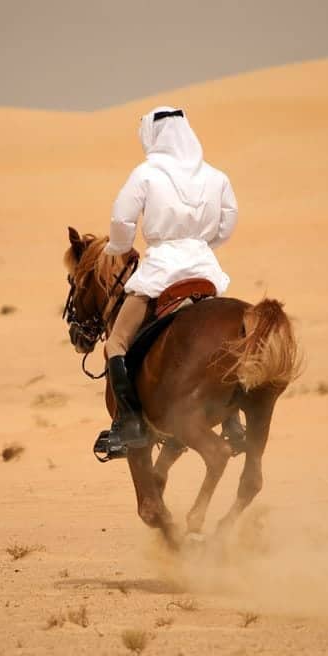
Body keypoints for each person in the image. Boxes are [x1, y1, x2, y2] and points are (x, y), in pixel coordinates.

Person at [100, 105, 239, 453]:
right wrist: (202, 244)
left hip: (161, 270)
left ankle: (128, 423)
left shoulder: (146, 174)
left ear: (153, 135)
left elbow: (121, 221)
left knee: (115, 342)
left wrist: (119, 247)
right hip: (206, 272)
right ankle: (233, 421)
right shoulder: (216, 176)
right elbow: (228, 223)